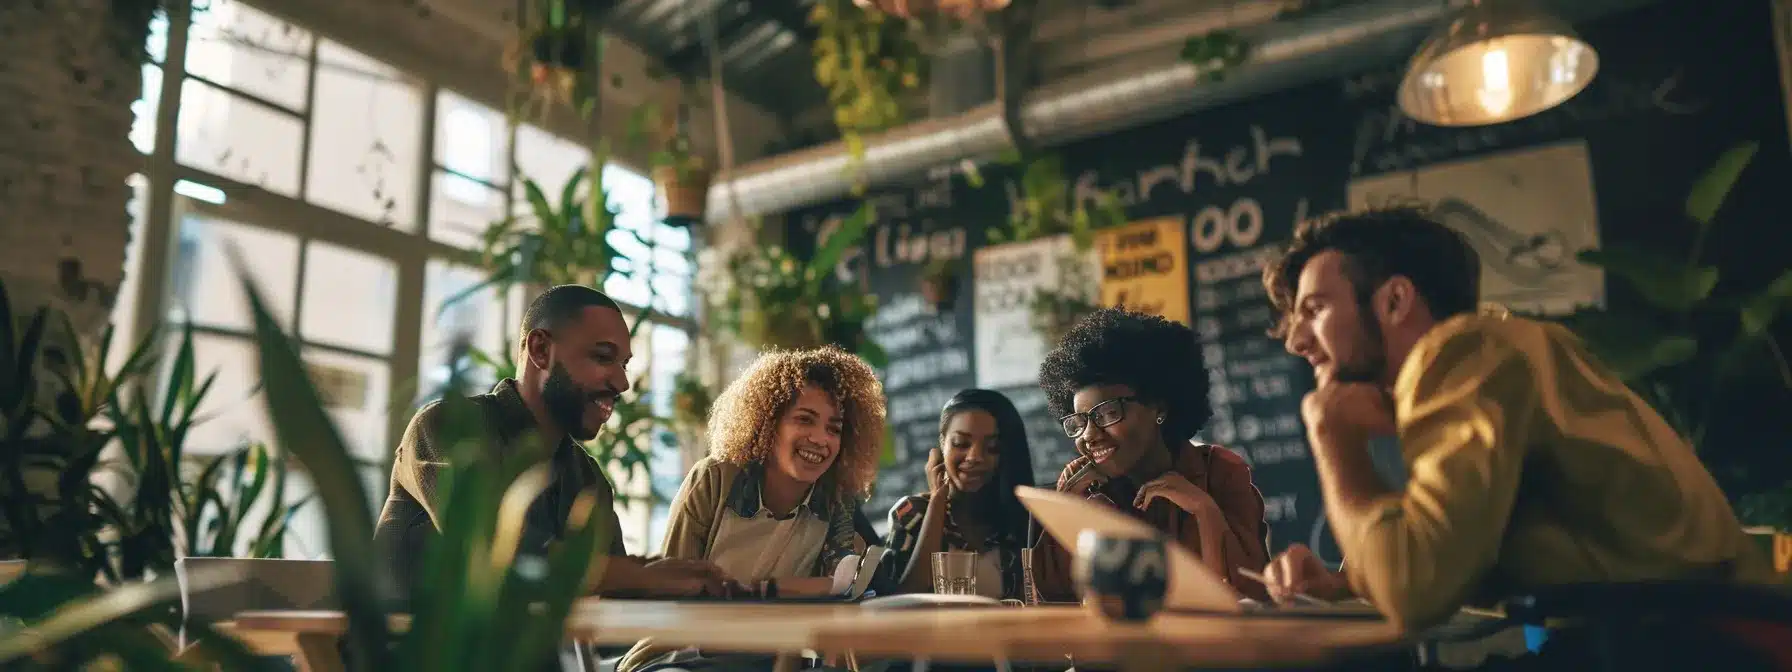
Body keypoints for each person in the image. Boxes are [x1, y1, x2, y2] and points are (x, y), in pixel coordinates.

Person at [1257, 205, 1781, 665]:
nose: (1297, 342)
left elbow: (1414, 589)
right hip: (1686, 639)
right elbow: (1454, 545)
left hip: (1697, 649)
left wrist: (1333, 437)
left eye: (1314, 309)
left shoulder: (1461, 351)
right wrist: (1342, 584)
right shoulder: (1491, 355)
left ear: (1394, 301)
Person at [374, 285, 726, 599]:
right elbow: (500, 555)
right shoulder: (449, 426)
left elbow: (615, 587)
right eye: (603, 357)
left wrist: (693, 583)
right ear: (541, 350)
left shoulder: (586, 476)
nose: (622, 382)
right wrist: (641, 576)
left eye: (624, 364)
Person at [620, 346, 885, 672]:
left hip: (772, 661)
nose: (820, 438)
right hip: (679, 657)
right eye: (805, 420)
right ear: (769, 421)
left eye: (834, 428)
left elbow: (844, 585)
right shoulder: (714, 480)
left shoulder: (835, 501)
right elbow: (673, 597)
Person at [1033, 306, 1271, 601]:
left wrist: (1203, 509)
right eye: (1079, 423)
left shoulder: (1219, 472)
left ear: (1158, 407)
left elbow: (1249, 593)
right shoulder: (1085, 487)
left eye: (1108, 413)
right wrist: (1067, 513)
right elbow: (1052, 599)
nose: (1089, 435)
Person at [883, 389, 1037, 599]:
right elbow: (903, 601)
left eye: (992, 447)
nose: (974, 457)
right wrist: (937, 501)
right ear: (942, 444)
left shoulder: (1023, 521)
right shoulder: (911, 513)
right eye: (961, 444)